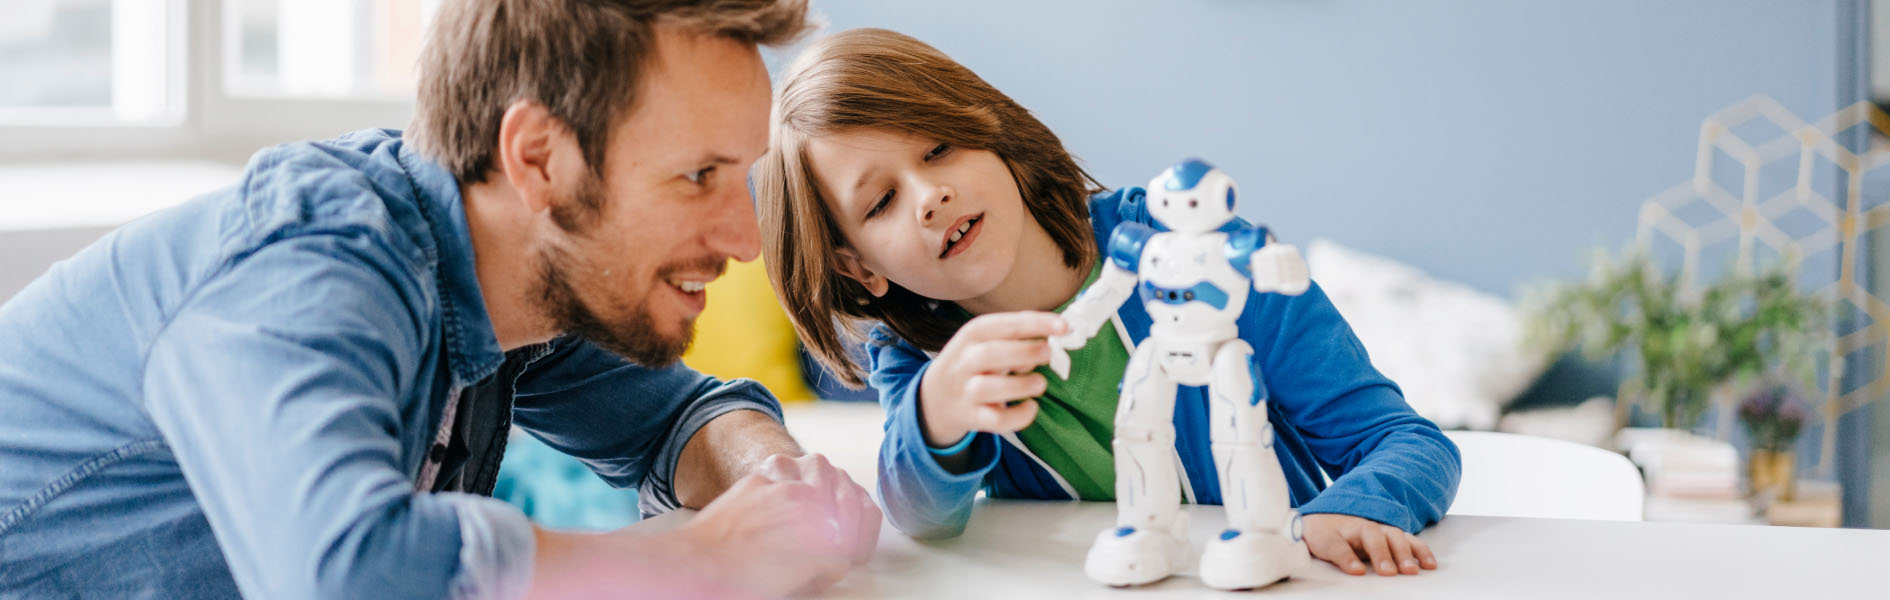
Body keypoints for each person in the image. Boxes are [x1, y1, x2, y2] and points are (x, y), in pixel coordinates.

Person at [0, 1, 880, 598]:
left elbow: (676, 418)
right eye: (699, 177)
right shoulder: (315, 265)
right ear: (537, 157)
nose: (745, 238)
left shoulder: (518, 281)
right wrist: (703, 554)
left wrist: (778, 483)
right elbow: (347, 570)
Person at [754, 27, 1460, 583]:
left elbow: (1408, 442)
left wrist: (1349, 509)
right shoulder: (920, 361)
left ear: (991, 132)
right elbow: (922, 516)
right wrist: (934, 417)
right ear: (859, 267)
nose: (928, 195)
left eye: (940, 148)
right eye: (880, 201)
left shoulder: (1209, 259)